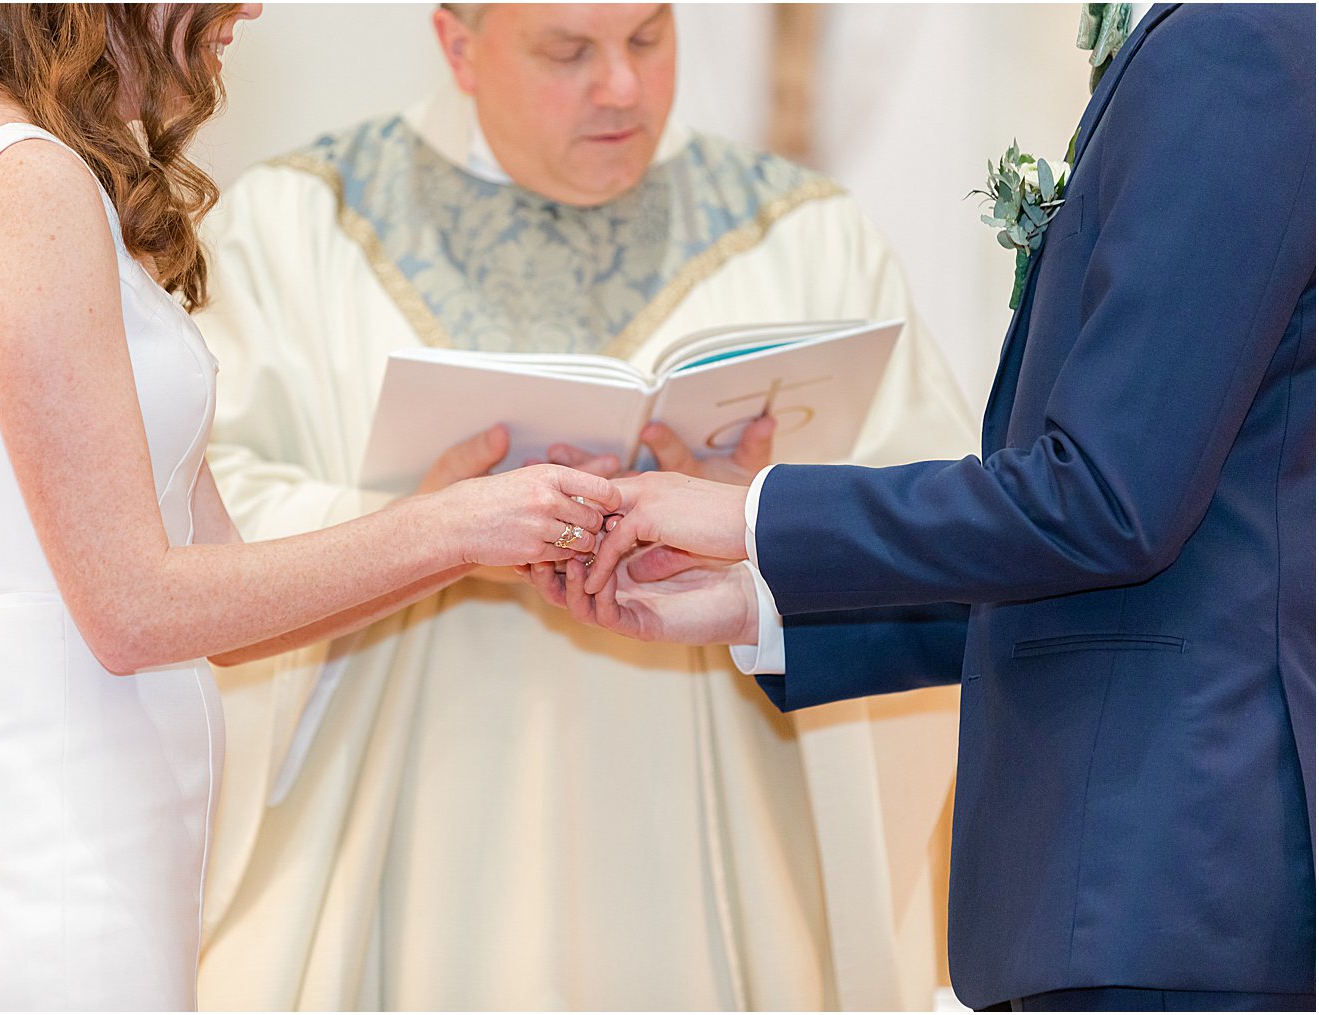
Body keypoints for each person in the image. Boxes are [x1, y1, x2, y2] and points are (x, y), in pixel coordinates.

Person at [0, 5, 619, 1010]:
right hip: (56, 841)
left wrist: (444, 524)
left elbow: (216, 599)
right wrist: (448, 529)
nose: (250, 8)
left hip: (105, 825)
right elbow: (131, 607)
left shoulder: (23, 167)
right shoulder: (25, 182)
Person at [193, 3, 976, 1009]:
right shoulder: (292, 228)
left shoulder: (804, 234)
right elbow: (193, 537)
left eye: (648, 38)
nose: (620, 86)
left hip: (715, 851)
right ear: (457, 45)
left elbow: (947, 542)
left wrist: (760, 522)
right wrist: (417, 528)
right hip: (416, 845)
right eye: (568, 52)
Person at [540, 3, 1316, 1011]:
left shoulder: (1235, 40)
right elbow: (1148, 525)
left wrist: (752, 517)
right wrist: (750, 600)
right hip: (1134, 883)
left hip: (1157, 872)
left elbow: (1106, 503)